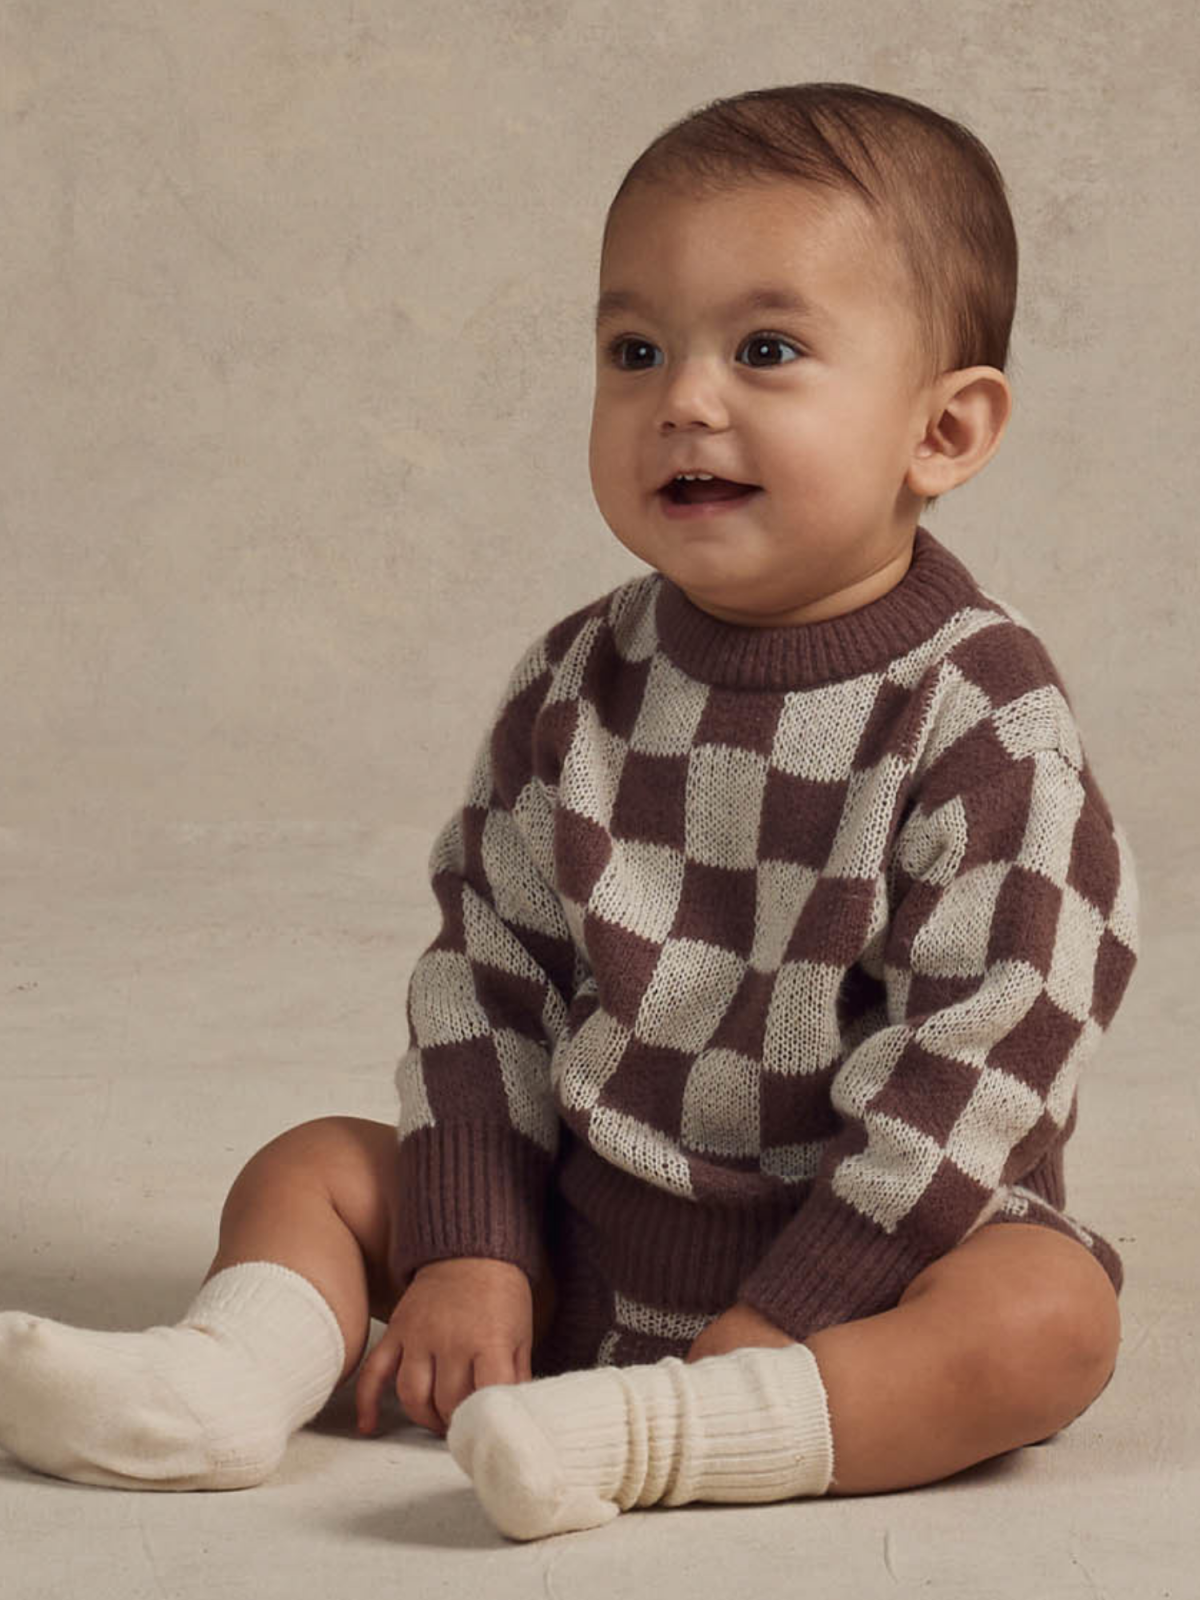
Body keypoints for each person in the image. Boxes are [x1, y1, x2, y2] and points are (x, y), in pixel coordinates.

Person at [0, 83, 1139, 1541]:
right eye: (636, 348)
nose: (685, 396)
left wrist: (795, 1311)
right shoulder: (579, 682)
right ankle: (221, 1386)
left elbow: (991, 1058)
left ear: (944, 428)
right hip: (578, 1224)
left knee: (1048, 1320)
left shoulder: (982, 721)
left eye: (768, 348)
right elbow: (489, 969)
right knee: (314, 1165)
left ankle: (670, 1433)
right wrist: (474, 1244)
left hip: (857, 1258)